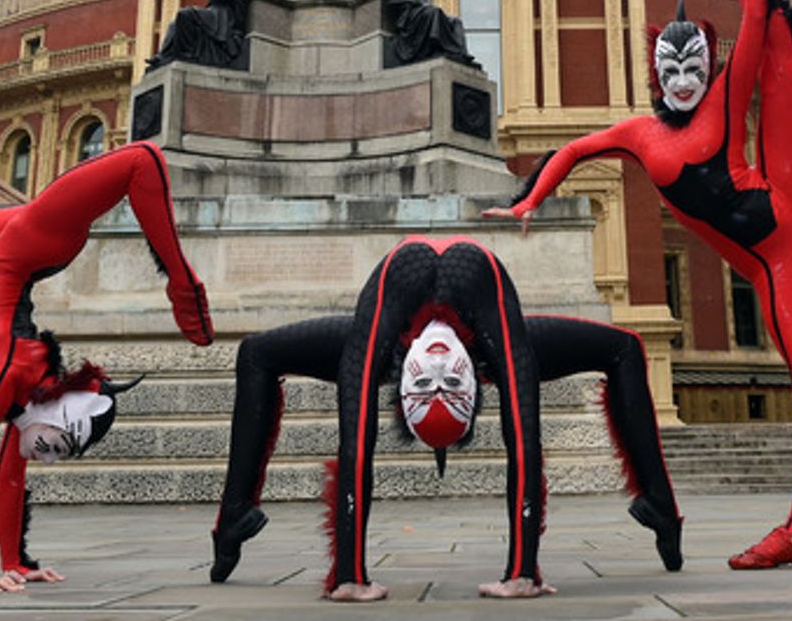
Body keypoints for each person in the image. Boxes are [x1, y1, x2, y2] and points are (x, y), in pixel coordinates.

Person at [483, 0, 792, 570]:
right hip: (763, 257)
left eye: (694, 67)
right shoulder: (641, 134)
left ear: (708, 70)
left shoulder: (720, 107)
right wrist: (529, 200)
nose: (683, 78)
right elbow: (572, 149)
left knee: (775, 57)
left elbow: (757, 17)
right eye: (671, 67)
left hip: (782, 219)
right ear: (654, 70)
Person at [208, 235, 682, 600]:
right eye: (450, 386)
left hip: (411, 336)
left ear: (399, 383)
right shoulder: (480, 297)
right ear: (475, 384)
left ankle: (232, 516)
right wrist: (523, 572)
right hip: (478, 333)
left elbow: (357, 441)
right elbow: (524, 437)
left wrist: (349, 577)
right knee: (624, 348)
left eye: (426, 386)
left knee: (256, 353)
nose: (436, 368)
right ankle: (661, 504)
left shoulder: (388, 327)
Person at [0, 73, 213, 592]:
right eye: (60, 445)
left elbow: (9, 477)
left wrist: (17, 562)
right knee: (141, 159)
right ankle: (182, 282)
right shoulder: (6, 371)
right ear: (56, 411)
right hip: (37, 244)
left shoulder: (18, 402)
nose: (48, 457)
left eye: (59, 453)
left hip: (13, 262)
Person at [146, 0, 248, 70]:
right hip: (212, 13)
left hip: (221, 18)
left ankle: (187, 52)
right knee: (174, 24)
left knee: (185, 14)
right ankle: (163, 55)